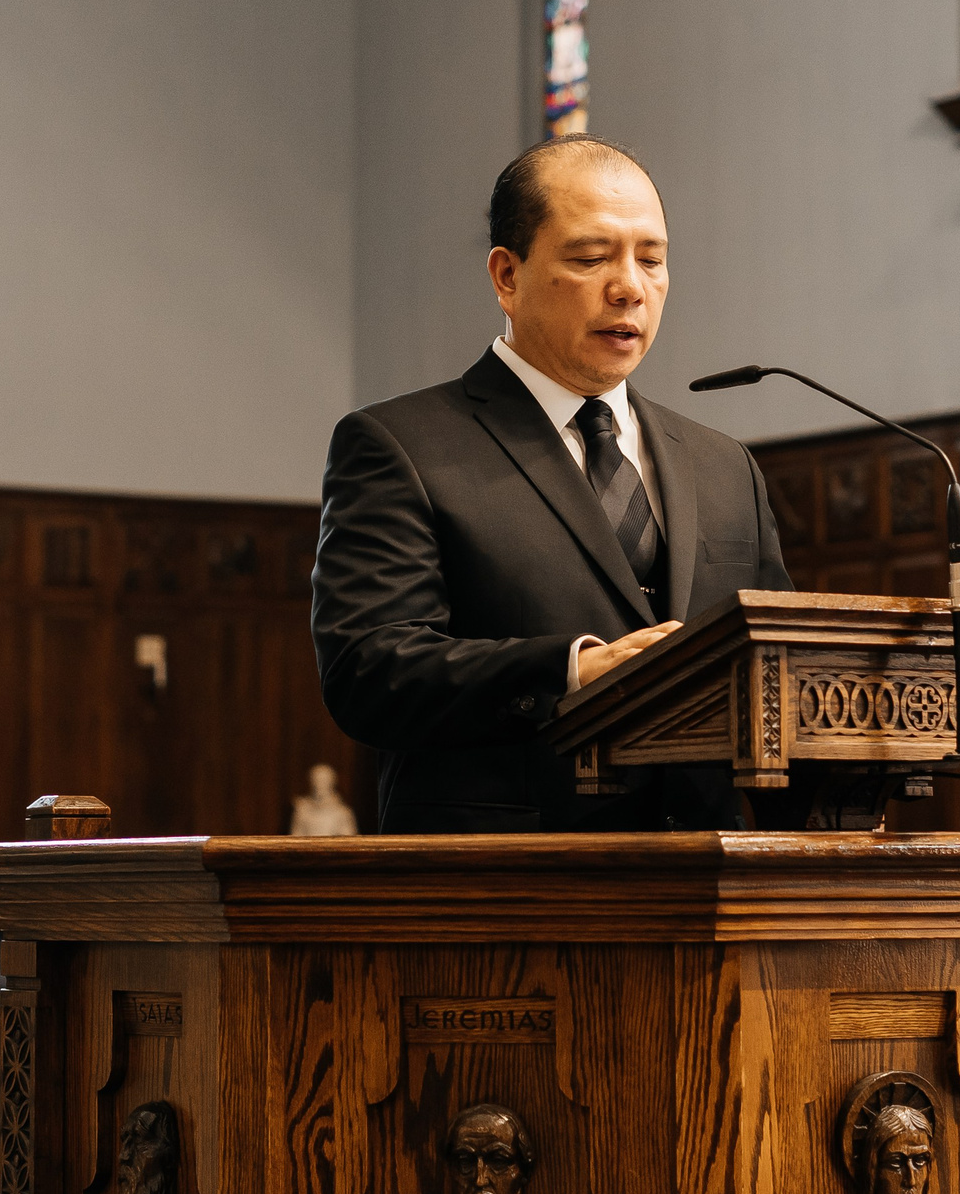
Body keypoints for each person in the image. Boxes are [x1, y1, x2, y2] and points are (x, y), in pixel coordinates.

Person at [312, 135, 793, 832]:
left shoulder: (723, 466)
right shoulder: (402, 445)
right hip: (506, 886)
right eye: (592, 258)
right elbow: (369, 671)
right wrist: (574, 673)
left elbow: (777, 664)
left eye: (652, 260)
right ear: (507, 276)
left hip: (707, 883)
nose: (630, 285)